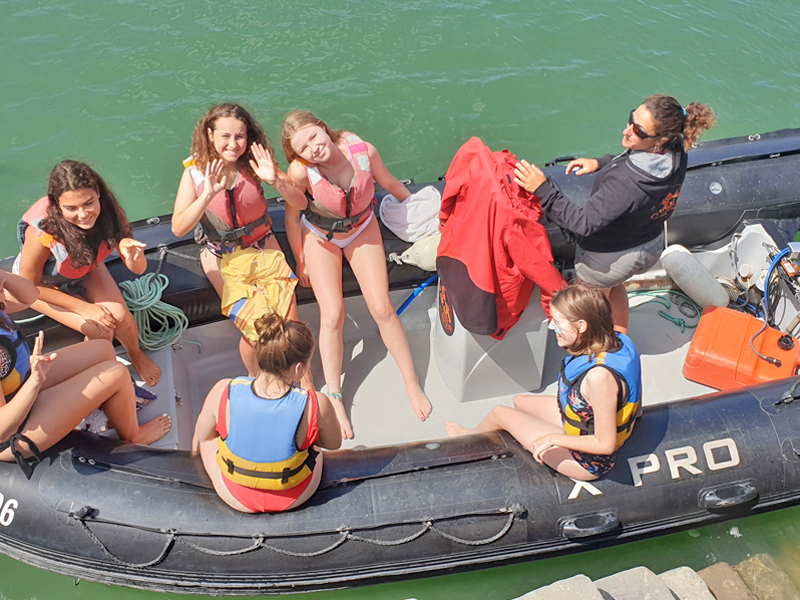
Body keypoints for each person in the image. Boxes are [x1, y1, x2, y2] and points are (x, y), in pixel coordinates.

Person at [251, 110, 431, 439]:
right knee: (332, 314)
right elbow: (293, 216)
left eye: (314, 137)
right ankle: (334, 396)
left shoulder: (364, 151)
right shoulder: (301, 171)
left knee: (382, 308)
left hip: (362, 228)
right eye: (303, 148)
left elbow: (390, 183)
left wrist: (421, 214)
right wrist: (301, 259)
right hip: (321, 237)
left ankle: (411, 382)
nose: (313, 148)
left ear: (323, 128)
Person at [514, 94, 717, 333]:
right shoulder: (675, 148)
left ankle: (604, 347)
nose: (626, 130)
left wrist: (541, 189)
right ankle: (622, 338)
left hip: (608, 260)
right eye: (631, 119)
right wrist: (600, 162)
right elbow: (631, 161)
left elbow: (582, 223)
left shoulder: (626, 183)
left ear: (660, 139)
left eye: (638, 131)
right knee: (615, 285)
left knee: (591, 311)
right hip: (648, 245)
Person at [446, 284, 642, 481]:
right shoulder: (619, 339)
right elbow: (617, 289)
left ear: (582, 326)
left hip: (587, 461)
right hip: (581, 421)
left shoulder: (599, 378)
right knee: (519, 402)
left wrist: (552, 439)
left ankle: (467, 436)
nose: (551, 326)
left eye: (557, 322)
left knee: (500, 413)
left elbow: (605, 444)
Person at [171, 103, 308, 379]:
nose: (233, 144)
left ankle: (305, 384)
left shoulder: (256, 164)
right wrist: (206, 195)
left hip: (262, 247)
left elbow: (301, 201)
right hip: (221, 255)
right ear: (210, 135)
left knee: (290, 325)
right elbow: (178, 227)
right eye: (225, 136)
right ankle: (258, 380)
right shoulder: (195, 173)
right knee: (255, 332)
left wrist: (275, 181)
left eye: (240, 136)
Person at [0, 270, 171, 478]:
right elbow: (2, 430)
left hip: (22, 386)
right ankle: (133, 436)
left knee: (103, 350)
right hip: (17, 432)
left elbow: (30, 295)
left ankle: (106, 410)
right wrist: (35, 382)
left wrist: (2, 276)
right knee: (117, 373)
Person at [15, 160, 161, 386]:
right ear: (57, 204)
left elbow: (138, 270)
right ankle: (93, 375)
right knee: (100, 330)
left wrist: (130, 253)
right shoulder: (41, 232)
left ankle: (136, 355)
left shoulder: (111, 212)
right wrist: (83, 307)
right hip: (42, 285)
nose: (83, 214)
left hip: (83, 267)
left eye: (89, 203)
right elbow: (28, 286)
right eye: (71, 208)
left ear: (98, 194)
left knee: (123, 319)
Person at [193, 313, 341, 513]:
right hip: (294, 496)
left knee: (206, 439)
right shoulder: (316, 402)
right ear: (298, 368)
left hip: (235, 495)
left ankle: (193, 460)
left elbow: (204, 435)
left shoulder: (224, 389)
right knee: (315, 447)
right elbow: (333, 444)